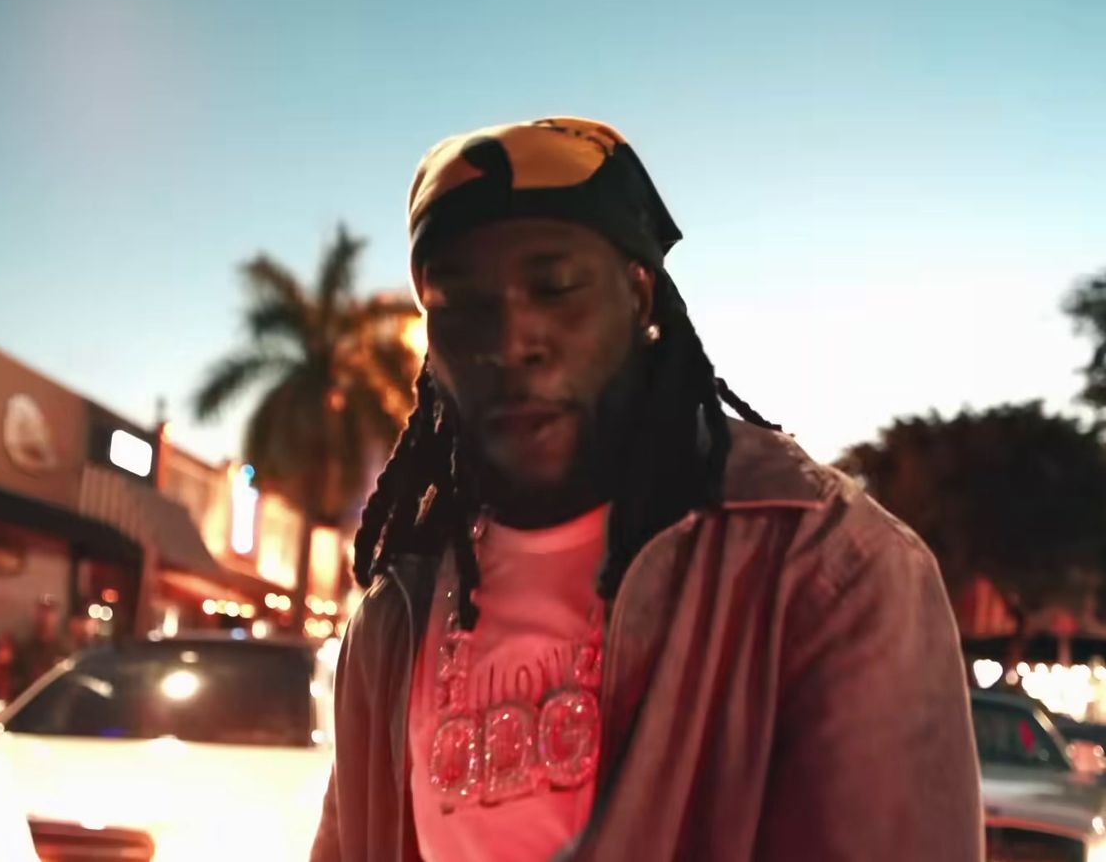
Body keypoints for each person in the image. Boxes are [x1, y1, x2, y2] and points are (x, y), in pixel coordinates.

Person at [311, 118, 981, 861]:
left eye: (554, 286)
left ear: (639, 295)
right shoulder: (394, 613)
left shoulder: (825, 565)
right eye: (459, 303)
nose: (509, 339)